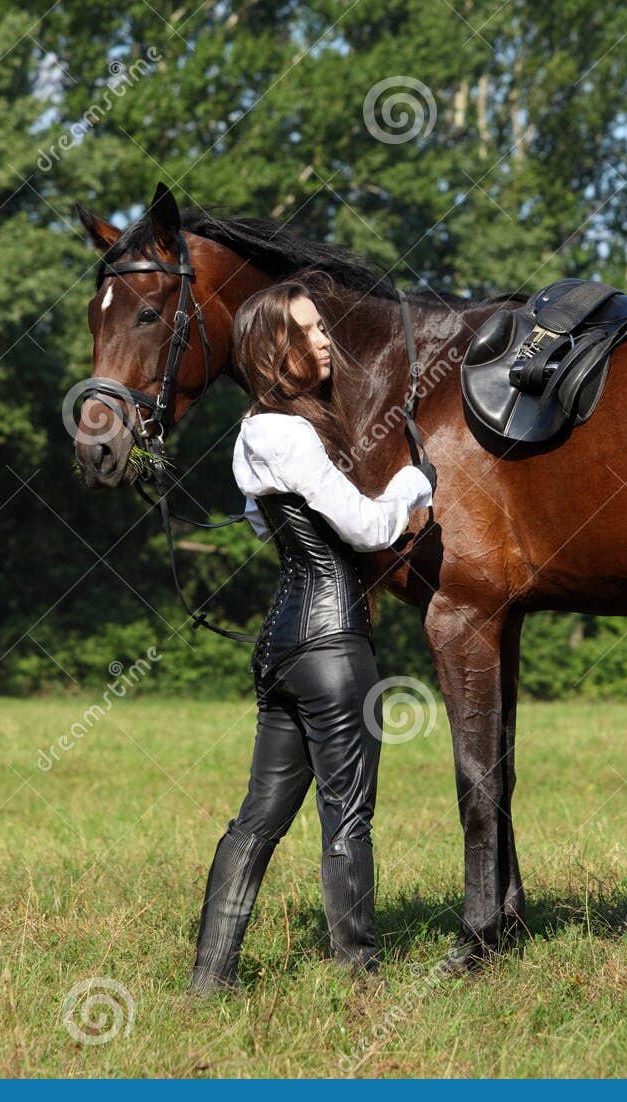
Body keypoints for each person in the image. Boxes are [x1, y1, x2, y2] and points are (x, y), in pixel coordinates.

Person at [189, 279, 435, 994]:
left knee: (259, 817)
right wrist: (413, 486)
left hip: (283, 647)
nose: (326, 339)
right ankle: (361, 982)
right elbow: (366, 528)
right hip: (333, 651)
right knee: (348, 818)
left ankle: (210, 980)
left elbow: (269, 526)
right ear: (275, 349)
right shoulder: (290, 430)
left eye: (324, 327)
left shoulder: (254, 437)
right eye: (308, 329)